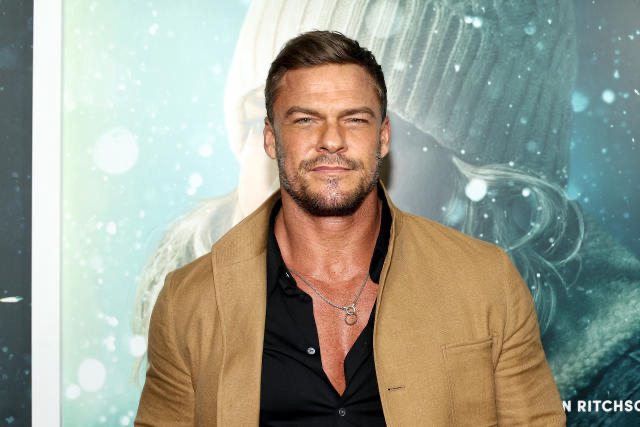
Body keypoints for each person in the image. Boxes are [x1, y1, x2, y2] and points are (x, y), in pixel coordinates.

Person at [133, 2, 640, 425]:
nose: (312, 155)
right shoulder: (191, 309)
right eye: (285, 119)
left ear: (486, 188)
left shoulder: (610, 386)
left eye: (360, 121)